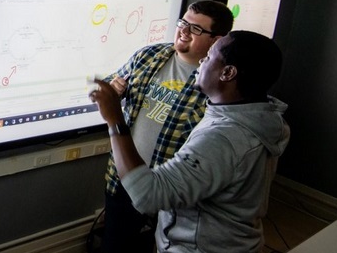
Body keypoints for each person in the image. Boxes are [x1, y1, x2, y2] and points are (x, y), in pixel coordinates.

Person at [91, 30, 290, 252]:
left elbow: (148, 195)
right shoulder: (258, 117)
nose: (202, 60)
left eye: (210, 56)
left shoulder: (223, 138)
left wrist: (115, 120)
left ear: (227, 73)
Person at [101, 0, 234, 252]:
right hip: (124, 180)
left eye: (196, 29)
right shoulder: (148, 56)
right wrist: (113, 88)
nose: (184, 31)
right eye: (183, 22)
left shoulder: (216, 83)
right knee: (115, 246)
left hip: (171, 191)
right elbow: (106, 87)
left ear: (216, 41)